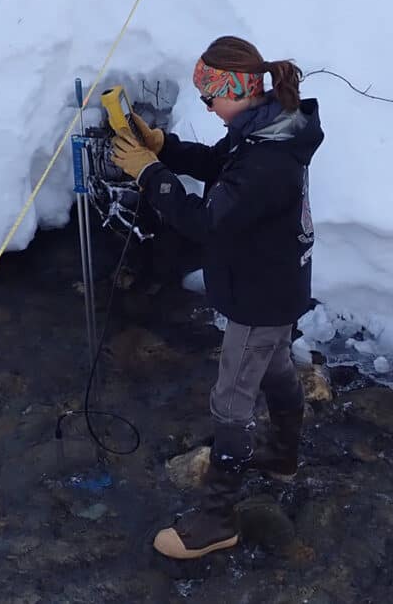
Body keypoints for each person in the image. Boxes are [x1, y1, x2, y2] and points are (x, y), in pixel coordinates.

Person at [111, 35, 324, 559]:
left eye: (211, 97)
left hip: (259, 294)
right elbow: (217, 165)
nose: (207, 107)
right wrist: (164, 146)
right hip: (274, 285)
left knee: (230, 401)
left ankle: (217, 520)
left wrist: (149, 174)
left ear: (239, 90)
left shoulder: (267, 159)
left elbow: (207, 221)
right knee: (273, 367)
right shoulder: (263, 128)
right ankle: (282, 455)